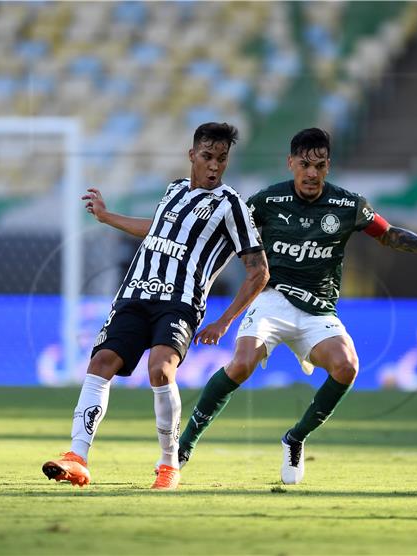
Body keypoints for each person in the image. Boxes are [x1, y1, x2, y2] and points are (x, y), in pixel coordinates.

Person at [178, 128, 417, 484]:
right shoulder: (267, 201)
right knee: (241, 364)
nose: (311, 173)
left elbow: (388, 233)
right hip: (271, 299)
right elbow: (227, 232)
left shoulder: (348, 204)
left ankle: (295, 438)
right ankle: (183, 446)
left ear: (328, 166)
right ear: (291, 164)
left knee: (347, 367)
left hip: (318, 309)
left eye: (319, 165)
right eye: (304, 164)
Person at [41, 123, 268, 490]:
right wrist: (106, 215)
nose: (214, 166)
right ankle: (77, 458)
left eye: (222, 159)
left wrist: (225, 322)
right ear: (192, 155)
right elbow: (158, 229)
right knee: (100, 364)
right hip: (136, 293)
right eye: (208, 157)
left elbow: (259, 272)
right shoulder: (174, 190)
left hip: (180, 303)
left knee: (160, 370)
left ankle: (168, 464)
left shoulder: (231, 206)